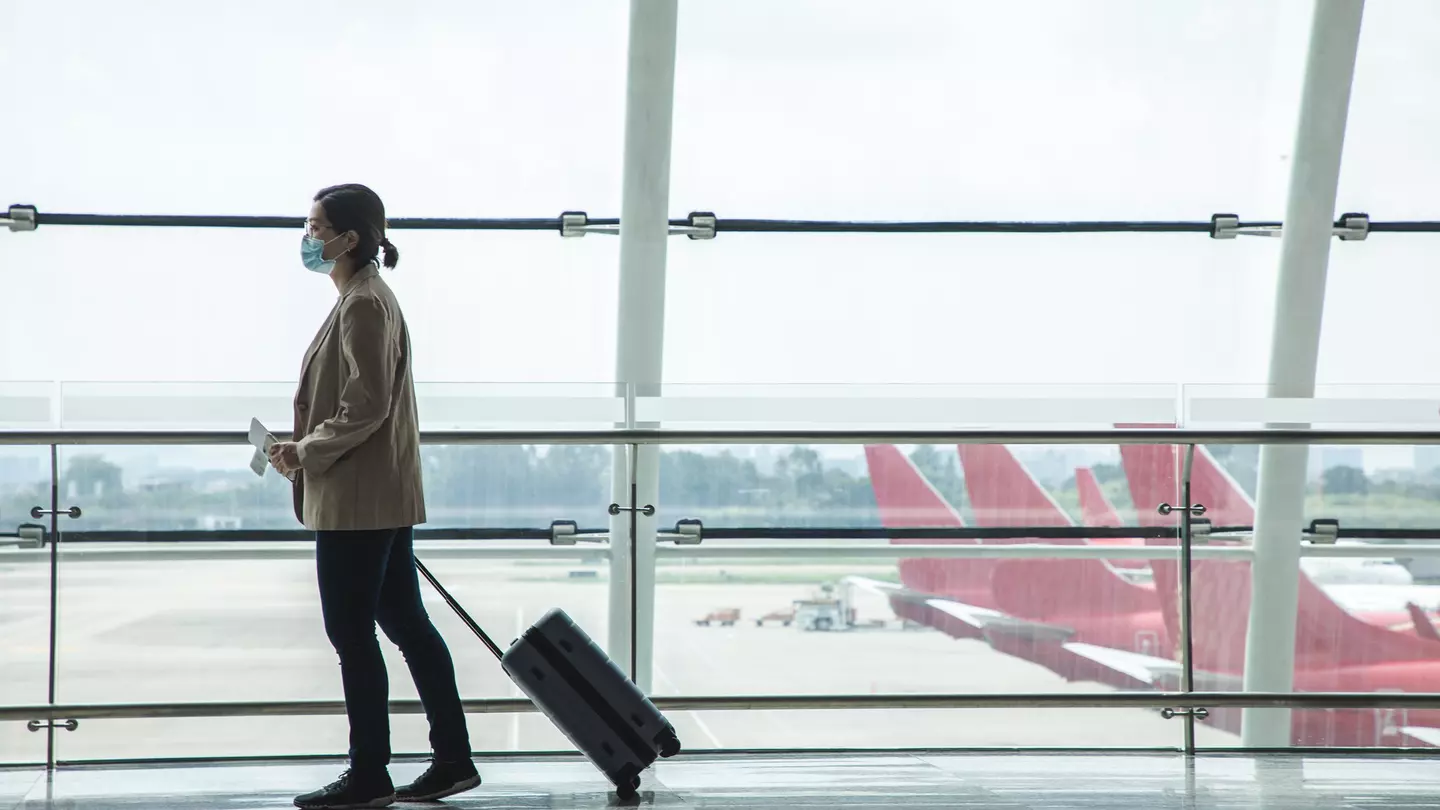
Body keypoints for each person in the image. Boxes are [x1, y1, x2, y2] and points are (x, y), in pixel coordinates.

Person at [269, 184, 480, 809]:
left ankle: (369, 775)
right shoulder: (365, 299)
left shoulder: (364, 305)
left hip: (359, 502)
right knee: (406, 625)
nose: (308, 237)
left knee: (352, 634)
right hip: (377, 494)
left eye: (315, 225)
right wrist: (302, 444)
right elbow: (359, 406)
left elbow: (364, 407)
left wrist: (305, 451)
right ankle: (452, 760)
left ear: (348, 238)